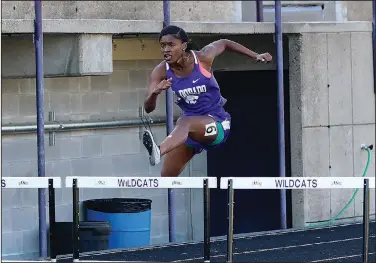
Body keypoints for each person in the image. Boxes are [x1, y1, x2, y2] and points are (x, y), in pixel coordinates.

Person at [142, 25, 272, 177]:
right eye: (163, 45)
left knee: (185, 122)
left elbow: (224, 43)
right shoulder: (160, 71)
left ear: (184, 46)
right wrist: (155, 93)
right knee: (166, 176)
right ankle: (160, 152)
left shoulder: (203, 57)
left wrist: (255, 55)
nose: (166, 50)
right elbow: (148, 108)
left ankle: (159, 150)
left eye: (171, 45)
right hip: (189, 132)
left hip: (217, 123)